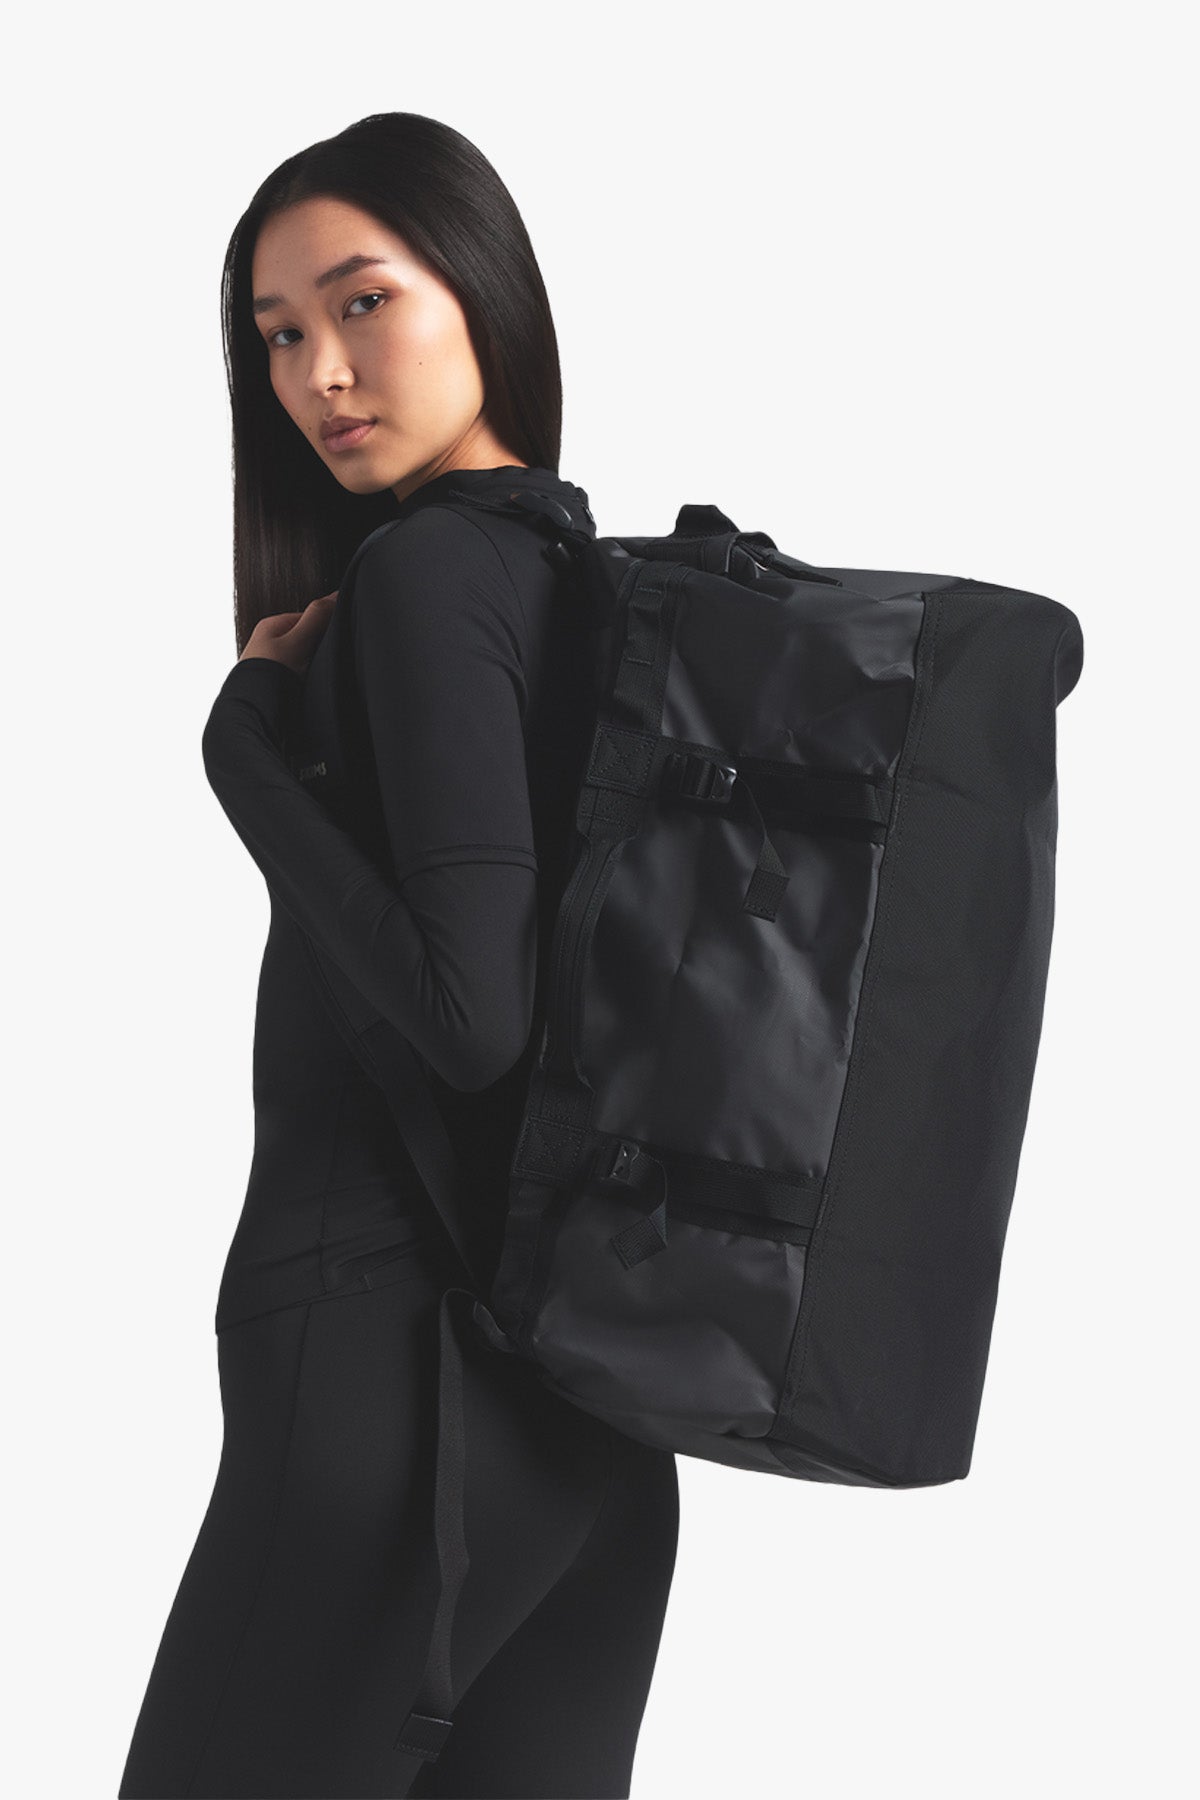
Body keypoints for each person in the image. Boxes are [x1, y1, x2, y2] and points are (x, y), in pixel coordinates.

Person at [117, 111, 680, 1800]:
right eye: (278, 334)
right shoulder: (581, 583)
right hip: (588, 1419)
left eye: (362, 302)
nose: (320, 373)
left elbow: (465, 1012)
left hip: (385, 1390)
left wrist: (242, 753)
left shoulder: (431, 576)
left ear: (484, 289)